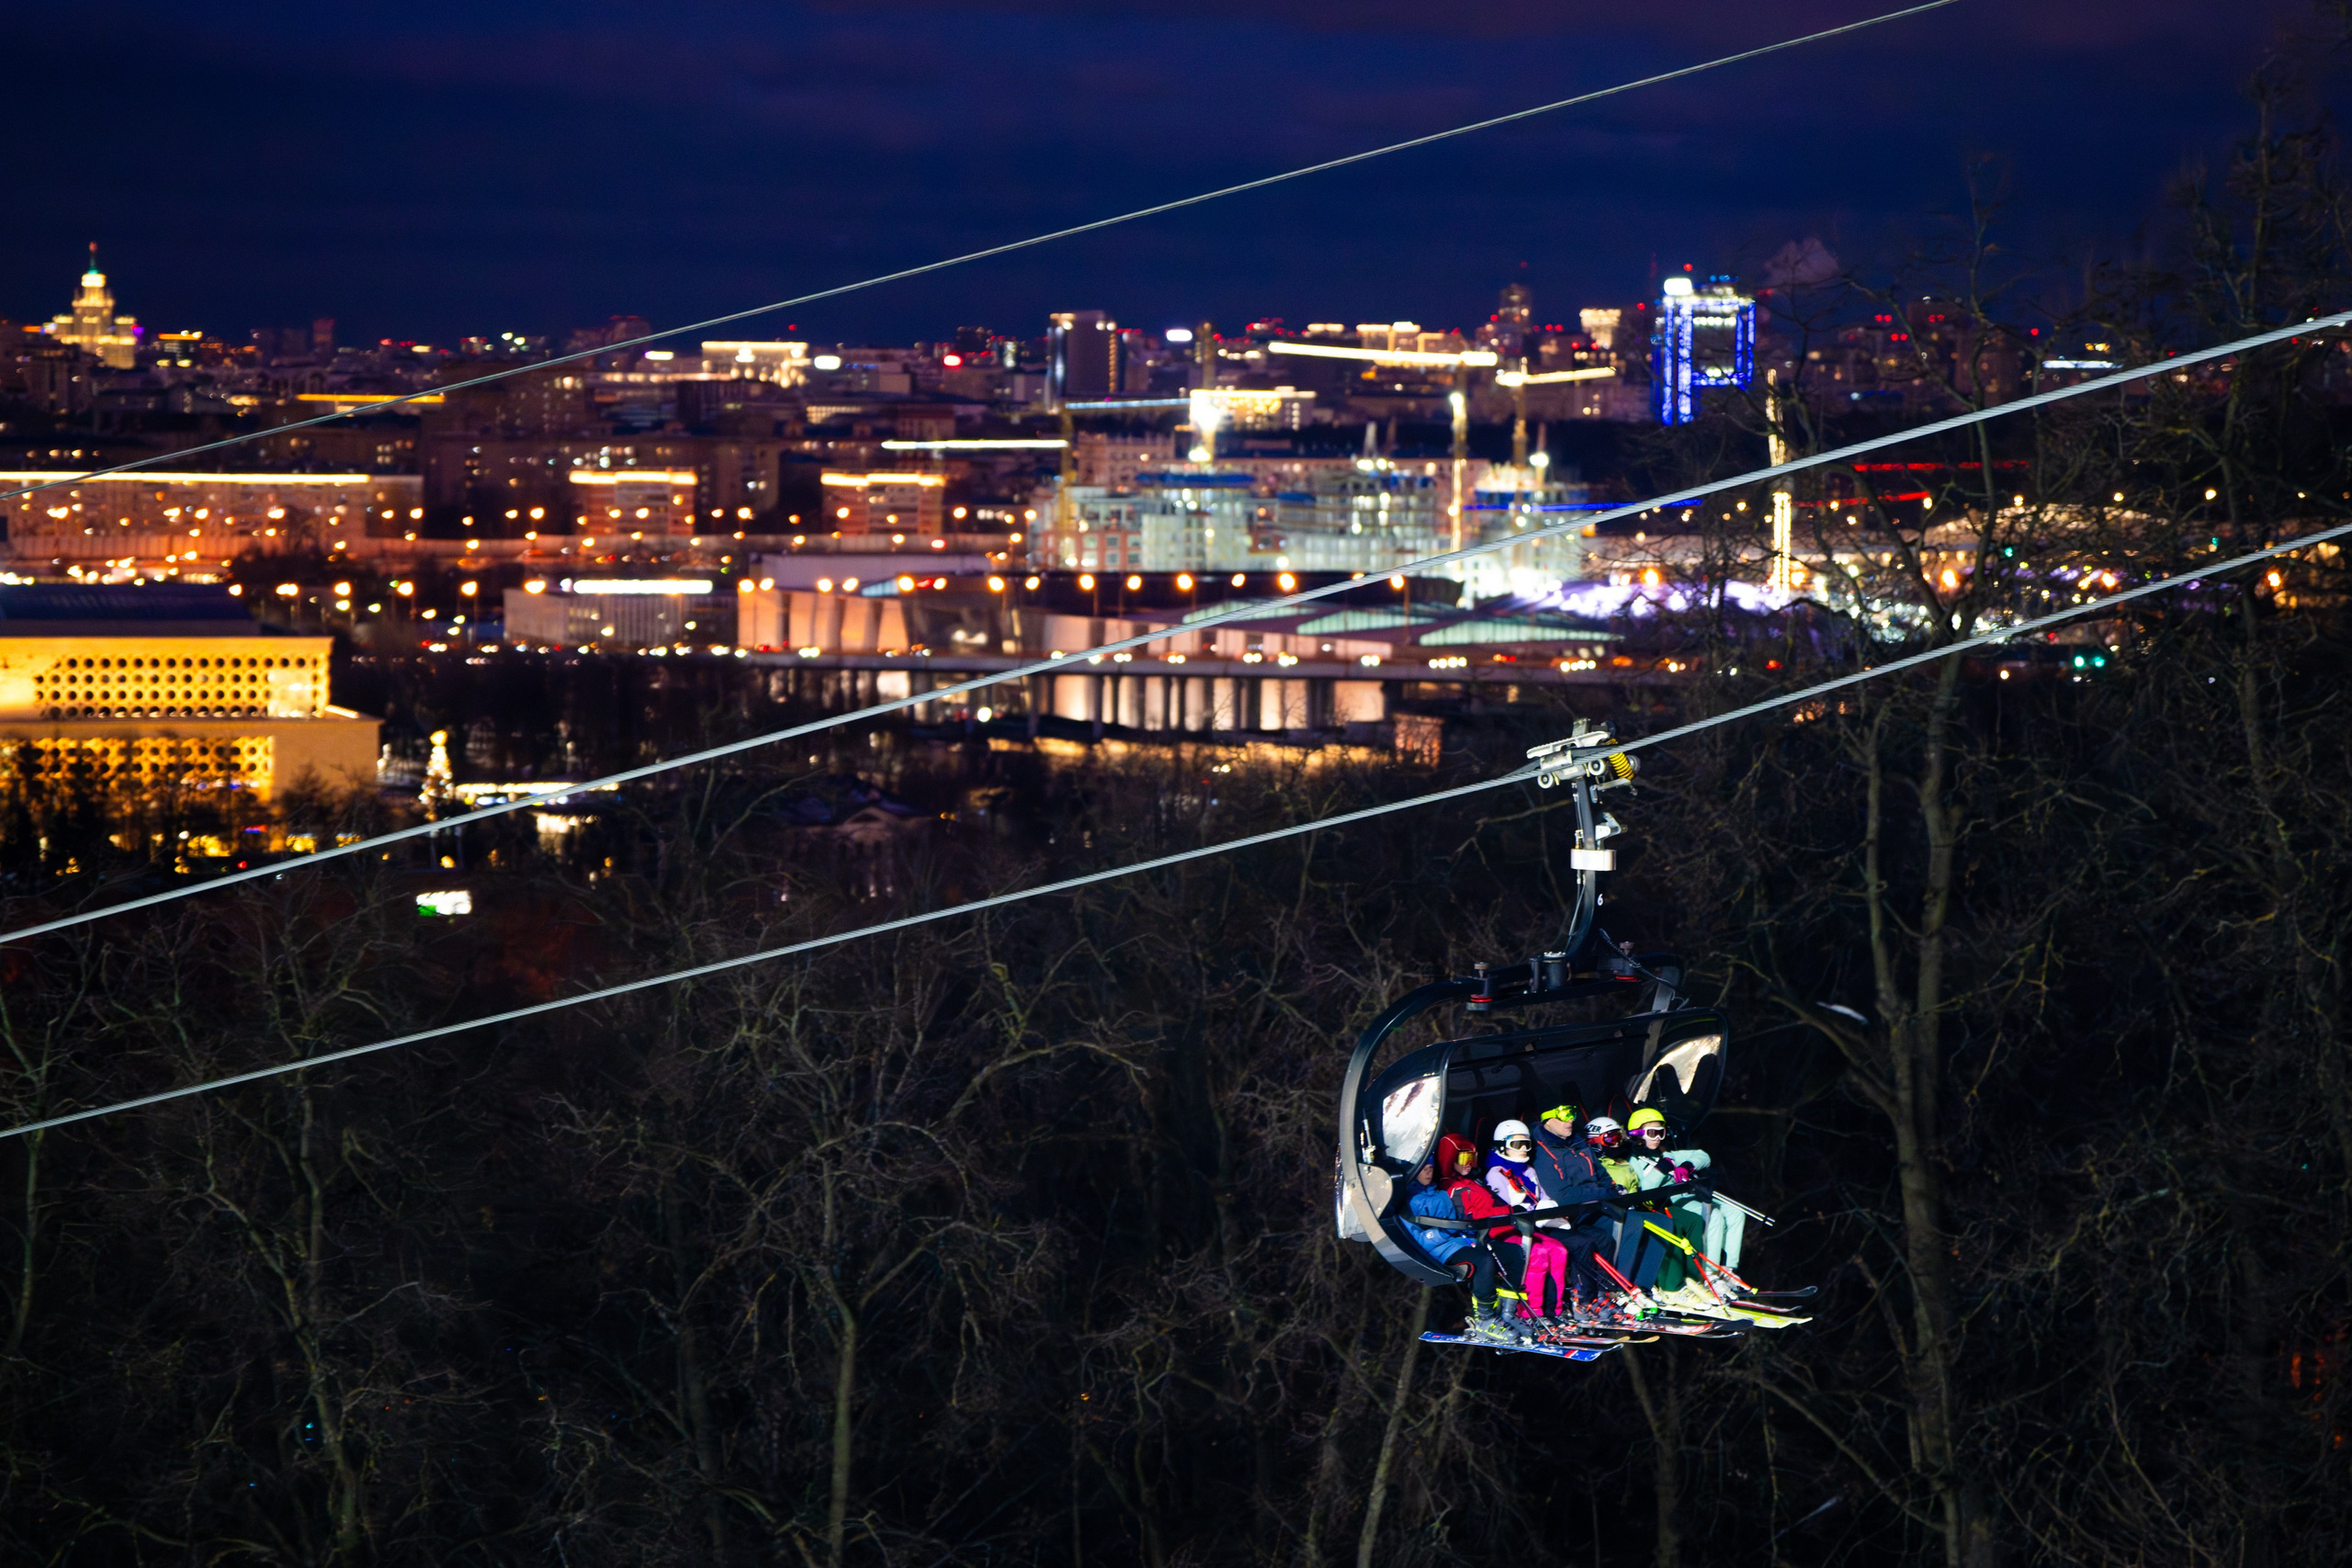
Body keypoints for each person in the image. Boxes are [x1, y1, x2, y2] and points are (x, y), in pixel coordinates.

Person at [1408, 1136, 1529, 1345]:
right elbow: (1419, 1239)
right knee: (1483, 1261)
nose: (1428, 1171)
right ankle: (1485, 1319)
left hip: (1461, 1240)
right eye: (1423, 1168)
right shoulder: (1411, 1201)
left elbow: (1459, 1218)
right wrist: (1445, 1233)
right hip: (1440, 1251)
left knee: (1513, 1254)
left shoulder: (1440, 1194)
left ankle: (1508, 1313)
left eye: (1430, 1167)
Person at [1625, 1106, 1747, 1299]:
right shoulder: (1634, 1162)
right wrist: (1660, 1171)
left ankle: (1728, 1268)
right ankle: (1709, 1273)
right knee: (1713, 1216)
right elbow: (1645, 1192)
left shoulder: (1667, 1155)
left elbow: (1702, 1155)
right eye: (1652, 1133)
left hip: (1688, 1195)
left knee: (1735, 1213)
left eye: (1661, 1132)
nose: (1658, 1137)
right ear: (1637, 1134)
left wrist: (1687, 1165)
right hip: (1668, 1201)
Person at [1524, 1101, 1618, 1313]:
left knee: (1604, 1239)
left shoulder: (1579, 1144)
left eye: (1572, 1116)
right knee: (1582, 1243)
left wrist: (1610, 1189)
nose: (1570, 1121)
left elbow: (1603, 1176)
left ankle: (1602, 1294)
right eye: (1564, 1117)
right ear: (1548, 1121)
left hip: (1584, 1211)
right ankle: (1582, 1298)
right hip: (1559, 1217)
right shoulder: (1543, 1152)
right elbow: (1563, 1195)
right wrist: (1603, 1193)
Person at [1479, 1121, 1575, 1326]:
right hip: (1509, 1230)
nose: (1523, 1150)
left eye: (1526, 1144)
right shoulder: (1496, 1174)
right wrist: (1525, 1209)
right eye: (1517, 1145)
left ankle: (1554, 1309)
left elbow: (1542, 1196)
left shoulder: (1528, 1171)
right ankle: (1532, 1312)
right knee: (1537, 1255)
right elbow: (1505, 1207)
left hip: (1532, 1226)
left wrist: (1552, 1210)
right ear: (1502, 1146)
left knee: (1558, 1251)